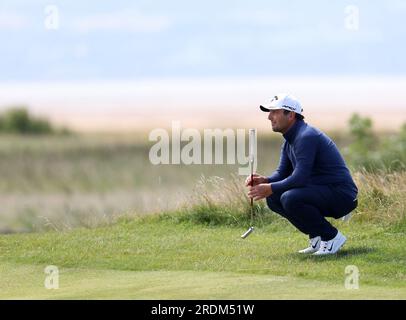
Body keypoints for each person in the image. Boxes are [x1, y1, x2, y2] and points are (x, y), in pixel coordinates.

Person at [246, 93, 358, 255]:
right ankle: (317, 236)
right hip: (323, 191)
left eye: (275, 112)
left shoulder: (306, 137)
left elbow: (300, 177)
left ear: (290, 115)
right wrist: (266, 180)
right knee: (274, 197)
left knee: (290, 198)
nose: (269, 117)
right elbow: (282, 173)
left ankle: (332, 237)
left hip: (342, 195)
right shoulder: (290, 140)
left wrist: (270, 186)